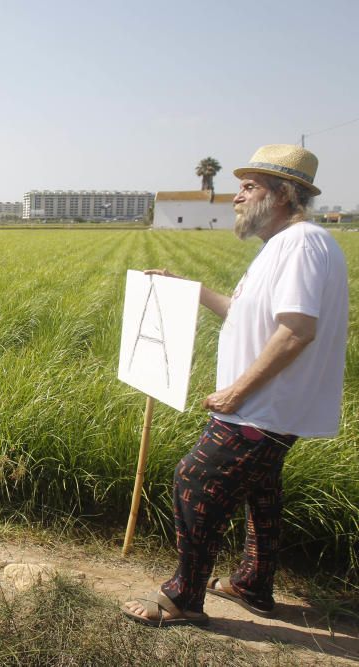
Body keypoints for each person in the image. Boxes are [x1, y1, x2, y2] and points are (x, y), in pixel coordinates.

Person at [122, 144, 348, 627]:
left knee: (194, 479)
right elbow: (246, 314)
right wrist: (187, 289)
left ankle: (183, 597)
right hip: (266, 407)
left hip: (260, 408)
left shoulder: (301, 244)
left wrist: (237, 392)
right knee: (260, 492)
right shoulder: (282, 246)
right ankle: (253, 584)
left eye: (249, 187)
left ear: (284, 195)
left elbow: (296, 331)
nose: (237, 198)